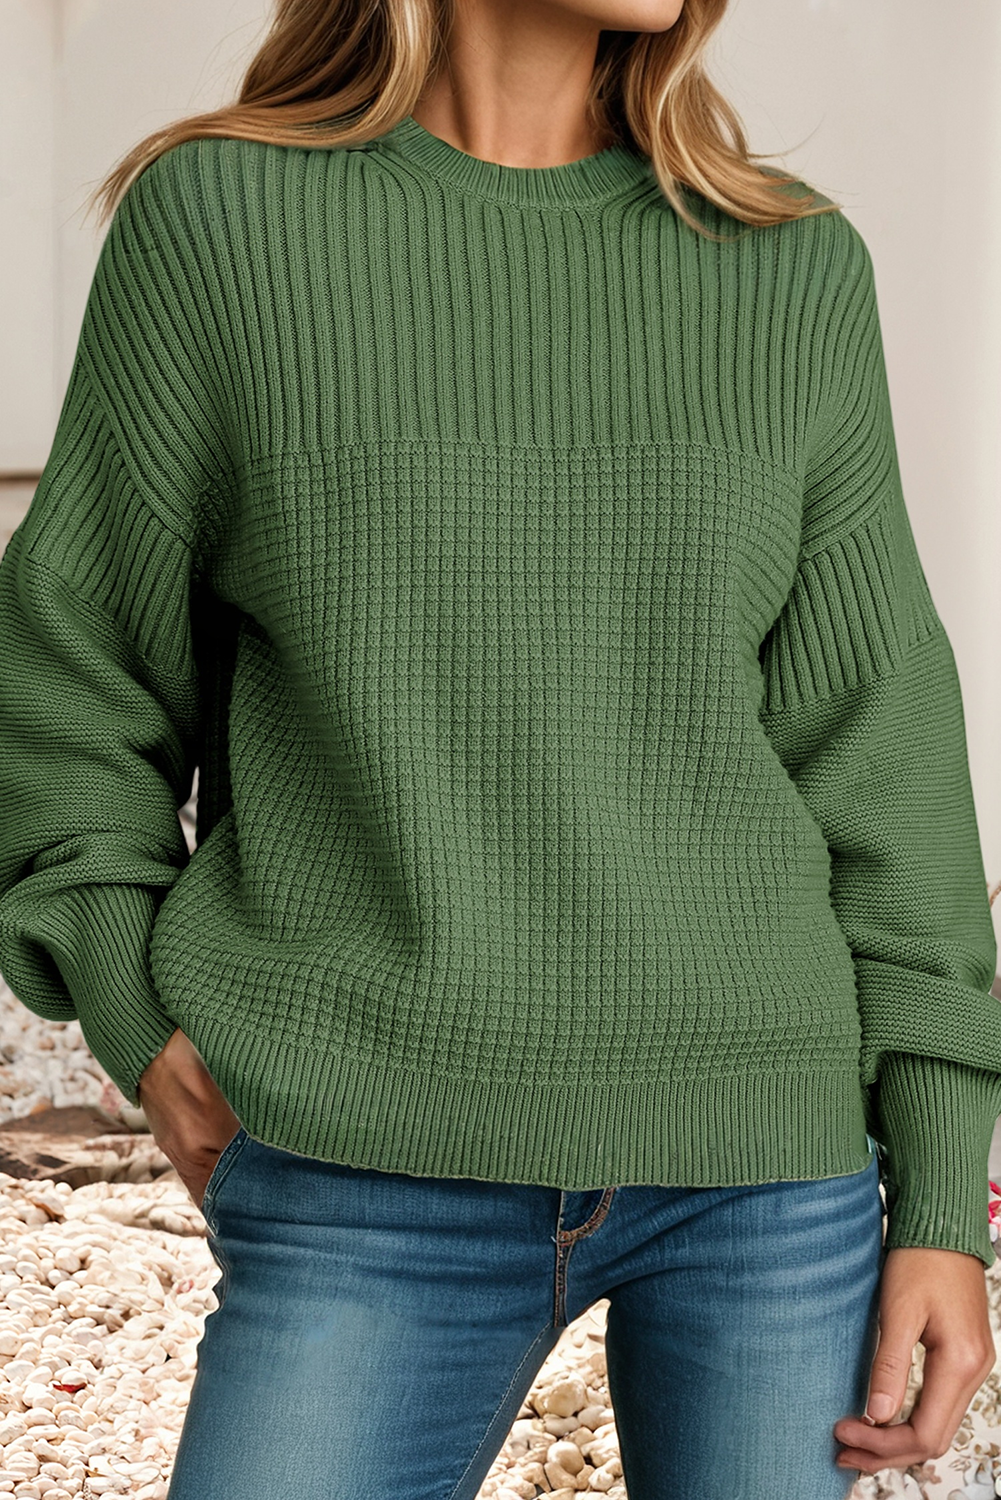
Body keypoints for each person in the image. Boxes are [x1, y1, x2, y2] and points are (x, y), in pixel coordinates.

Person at [0, 0, 998, 1494]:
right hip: (364, 1159)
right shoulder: (219, 229)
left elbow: (879, 745)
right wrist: (139, 1023)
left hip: (765, 1167)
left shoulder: (787, 266)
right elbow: (75, 677)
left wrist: (939, 1200)